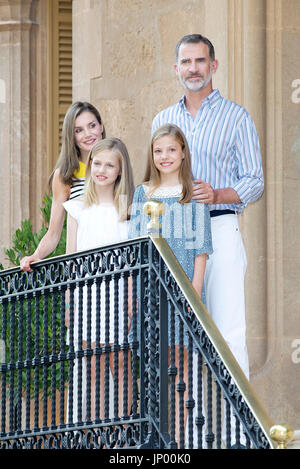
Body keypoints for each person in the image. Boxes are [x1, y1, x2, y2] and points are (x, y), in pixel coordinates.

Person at [151, 34, 264, 381]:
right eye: (186, 62)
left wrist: (218, 194)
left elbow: (255, 181)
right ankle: (194, 437)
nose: (193, 68)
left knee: (229, 332)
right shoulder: (162, 120)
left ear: (213, 65)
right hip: (177, 233)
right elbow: (153, 179)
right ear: (176, 69)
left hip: (219, 226)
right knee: (184, 336)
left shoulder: (237, 117)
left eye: (200, 61)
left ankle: (241, 435)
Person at [129, 123, 213, 442]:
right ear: (152, 155)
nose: (164, 156)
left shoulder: (193, 194)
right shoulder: (143, 193)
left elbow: (202, 249)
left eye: (171, 150)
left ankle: (179, 438)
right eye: (158, 150)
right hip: (151, 291)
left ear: (183, 153)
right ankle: (156, 434)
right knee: (154, 364)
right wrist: (134, 294)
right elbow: (135, 245)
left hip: (183, 290)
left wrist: (195, 293)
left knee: (180, 365)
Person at [63, 137, 135, 421]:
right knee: (91, 364)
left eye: (110, 165)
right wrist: (70, 300)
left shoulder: (128, 209)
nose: (101, 170)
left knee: (120, 361)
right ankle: (98, 431)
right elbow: (70, 259)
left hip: (117, 295)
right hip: (85, 297)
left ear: (120, 170)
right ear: (90, 165)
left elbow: (132, 258)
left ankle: (124, 429)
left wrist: (131, 297)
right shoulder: (77, 207)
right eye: (97, 163)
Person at [20, 101, 105, 272]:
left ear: (101, 126)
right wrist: (35, 255)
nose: (88, 134)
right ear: (71, 136)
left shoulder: (117, 164)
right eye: (79, 130)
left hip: (117, 260)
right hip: (81, 266)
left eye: (92, 125)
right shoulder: (65, 175)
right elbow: (54, 233)